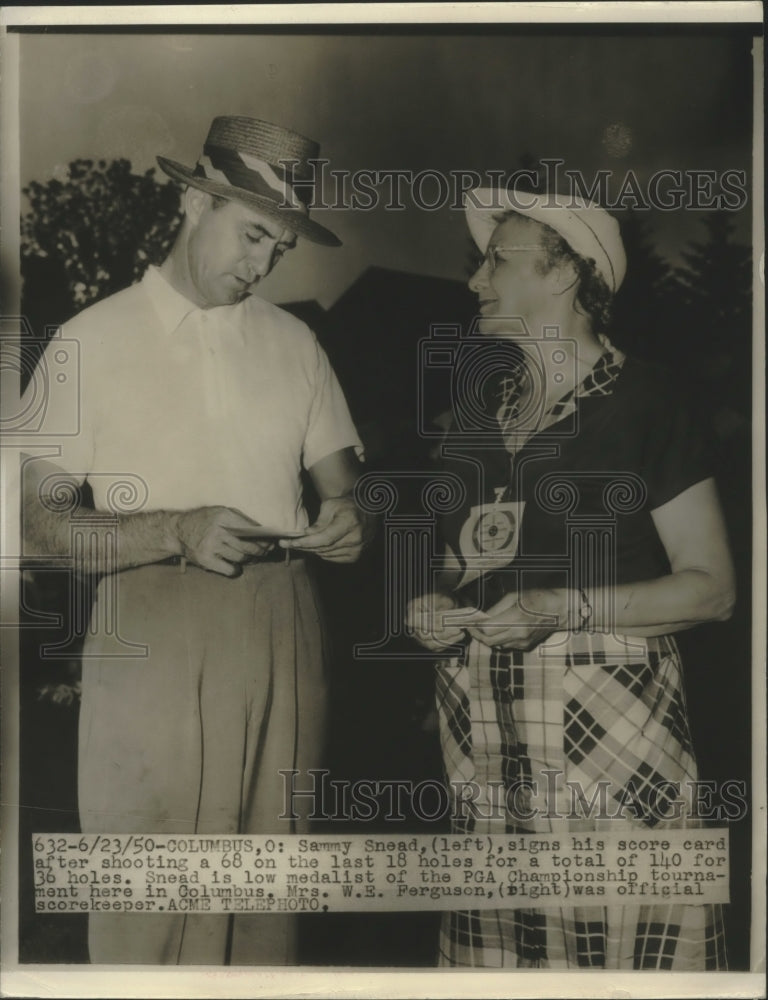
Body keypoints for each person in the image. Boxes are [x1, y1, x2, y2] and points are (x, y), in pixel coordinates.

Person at [22, 116, 370, 965]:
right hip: (153, 626)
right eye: (253, 235)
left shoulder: (298, 344)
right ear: (191, 198)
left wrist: (352, 519)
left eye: (280, 250)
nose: (260, 266)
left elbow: (348, 486)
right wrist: (173, 529)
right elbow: (31, 524)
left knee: (265, 898)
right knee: (150, 898)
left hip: (287, 622)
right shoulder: (86, 342)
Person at [406, 187, 735, 969]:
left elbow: (712, 589)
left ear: (564, 274)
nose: (476, 280)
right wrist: (434, 599)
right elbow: (457, 559)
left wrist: (564, 606)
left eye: (497, 260)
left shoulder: (647, 399)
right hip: (484, 733)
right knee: (504, 956)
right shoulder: (479, 411)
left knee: (617, 951)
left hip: (610, 731)